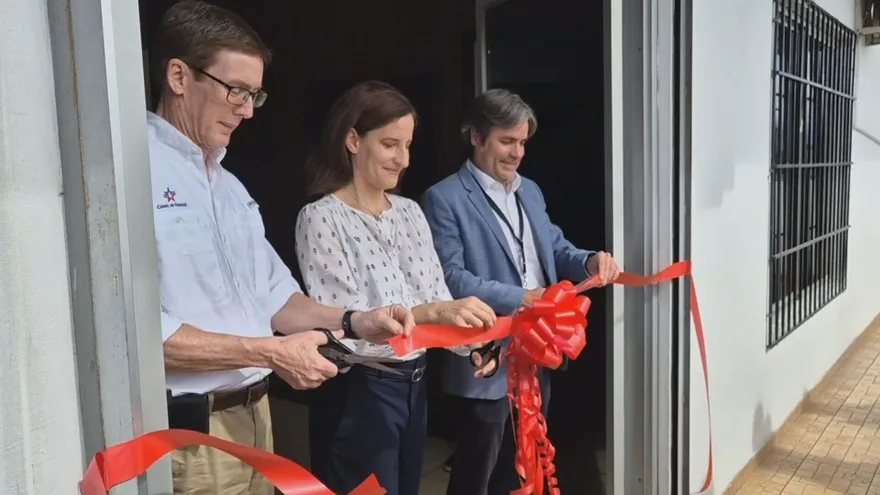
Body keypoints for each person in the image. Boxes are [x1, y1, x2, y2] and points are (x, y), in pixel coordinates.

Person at [149, 3, 414, 494]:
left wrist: (355, 320)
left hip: (258, 420)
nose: (247, 110)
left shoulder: (228, 186)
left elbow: (278, 299)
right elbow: (140, 334)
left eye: (255, 94)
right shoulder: (133, 175)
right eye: (236, 91)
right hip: (188, 439)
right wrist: (268, 352)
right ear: (179, 76)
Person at [295, 81, 498, 495]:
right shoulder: (320, 217)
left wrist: (472, 341)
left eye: (407, 146)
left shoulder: (409, 212)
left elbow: (434, 295)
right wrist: (435, 313)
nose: (402, 159)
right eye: (390, 144)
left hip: (414, 386)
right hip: (361, 391)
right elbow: (348, 324)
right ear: (353, 139)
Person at [421, 88, 621, 495]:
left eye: (523, 142)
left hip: (536, 349)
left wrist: (588, 260)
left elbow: (555, 247)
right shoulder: (444, 198)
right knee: (478, 470)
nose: (517, 153)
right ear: (476, 137)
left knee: (526, 460)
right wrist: (523, 297)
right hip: (485, 356)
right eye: (506, 141)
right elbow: (451, 279)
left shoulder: (530, 190)